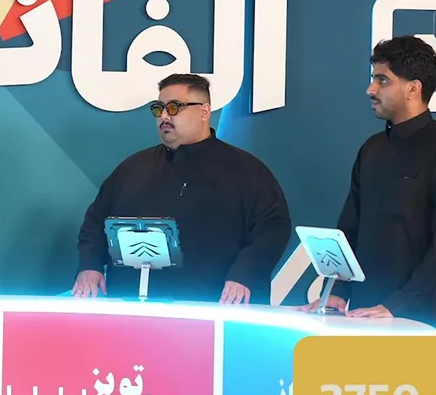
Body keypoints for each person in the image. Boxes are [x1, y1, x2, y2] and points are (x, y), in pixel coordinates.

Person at [300, 36, 436, 395]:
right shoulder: (371, 151)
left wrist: (398, 306)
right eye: (372, 78)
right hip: (363, 321)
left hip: (426, 322)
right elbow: (349, 227)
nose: (370, 89)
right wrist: (337, 291)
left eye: (382, 80)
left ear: (413, 88)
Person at [72, 73, 291, 303]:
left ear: (204, 111)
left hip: (215, 306)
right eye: (159, 109)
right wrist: (90, 265)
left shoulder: (247, 171)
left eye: (174, 107)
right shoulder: (133, 168)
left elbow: (272, 228)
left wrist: (244, 275)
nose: (164, 116)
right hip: (133, 305)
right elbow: (96, 221)